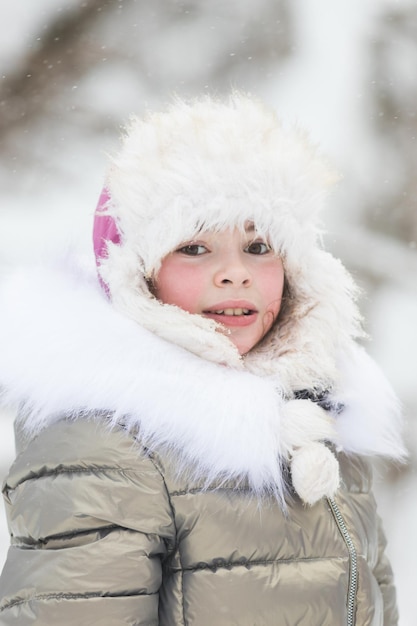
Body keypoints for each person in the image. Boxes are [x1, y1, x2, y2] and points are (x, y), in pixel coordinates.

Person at [0, 94, 406, 626]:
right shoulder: (108, 442)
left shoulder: (317, 419)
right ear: (137, 274)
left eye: (259, 247)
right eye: (195, 247)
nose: (235, 272)